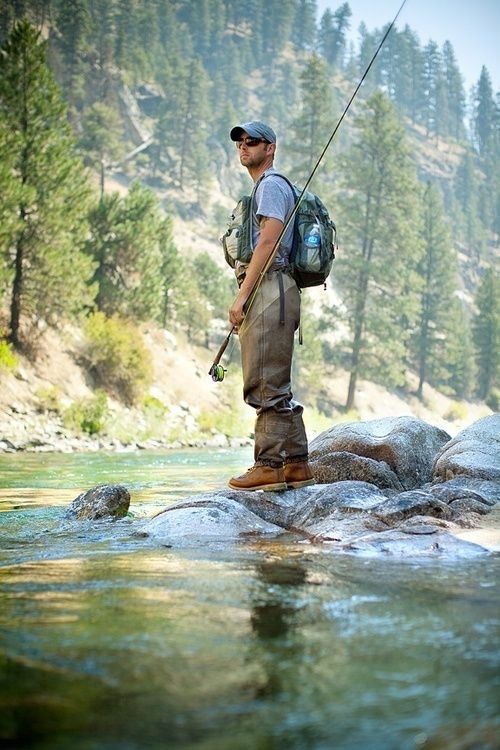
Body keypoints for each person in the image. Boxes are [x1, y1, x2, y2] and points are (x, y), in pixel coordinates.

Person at [226, 120, 314, 492]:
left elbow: (268, 241)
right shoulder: (267, 186)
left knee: (264, 381)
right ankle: (295, 465)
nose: (244, 147)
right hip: (277, 288)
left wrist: (242, 296)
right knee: (275, 379)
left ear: (271, 148)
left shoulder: (272, 186)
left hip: (270, 287)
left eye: (253, 141)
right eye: (240, 142)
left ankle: (267, 465)